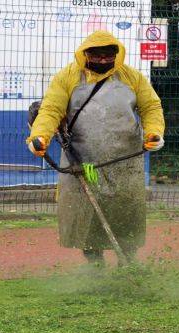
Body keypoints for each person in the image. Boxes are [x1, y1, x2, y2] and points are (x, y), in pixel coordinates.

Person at [26, 31, 165, 265]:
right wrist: (39, 137)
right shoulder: (67, 77)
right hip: (82, 159)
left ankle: (128, 262)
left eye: (108, 55)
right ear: (85, 53)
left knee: (126, 211)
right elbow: (51, 110)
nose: (102, 60)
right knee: (85, 213)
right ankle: (95, 264)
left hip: (125, 161)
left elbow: (151, 106)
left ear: (117, 54)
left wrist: (154, 132)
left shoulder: (132, 77)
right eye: (97, 55)